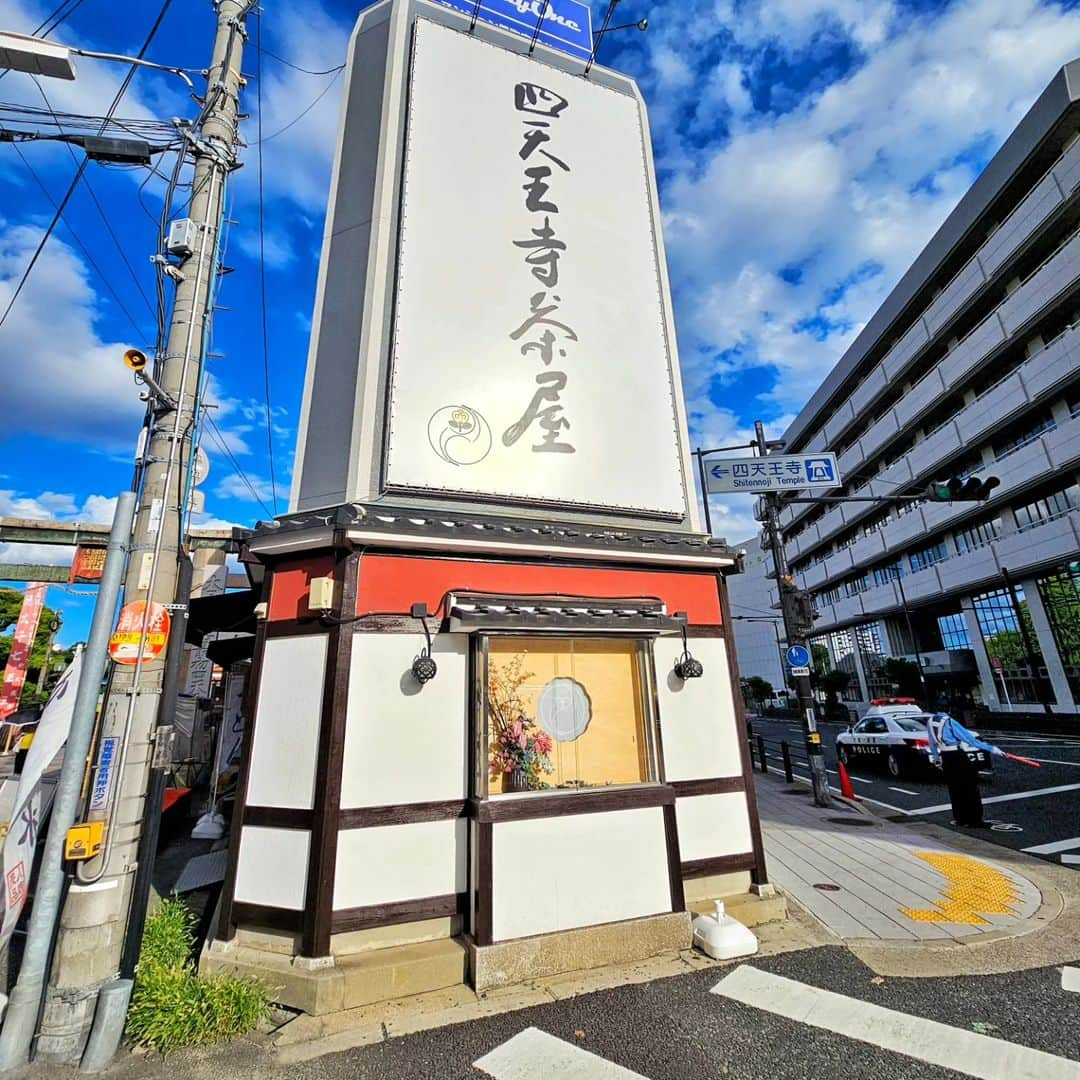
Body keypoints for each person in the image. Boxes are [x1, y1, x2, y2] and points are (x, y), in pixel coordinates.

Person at [926, 712, 1005, 827]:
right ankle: (975, 820)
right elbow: (970, 740)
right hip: (957, 755)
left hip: (945, 757)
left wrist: (937, 759)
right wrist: (992, 749)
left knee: (954, 789)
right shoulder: (949, 721)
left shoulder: (930, 722)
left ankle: (960, 819)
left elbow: (932, 743)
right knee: (970, 787)